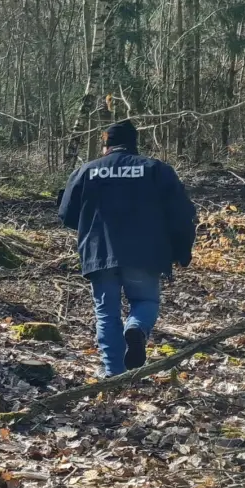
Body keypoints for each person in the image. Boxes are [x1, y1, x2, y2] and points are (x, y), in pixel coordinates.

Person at [59, 120, 197, 377]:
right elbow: (182, 214)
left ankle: (114, 374)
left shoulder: (86, 171)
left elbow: (66, 213)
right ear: (134, 144)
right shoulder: (156, 170)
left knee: (106, 314)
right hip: (146, 253)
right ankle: (136, 328)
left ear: (106, 146)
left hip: (99, 253)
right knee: (145, 300)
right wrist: (182, 250)